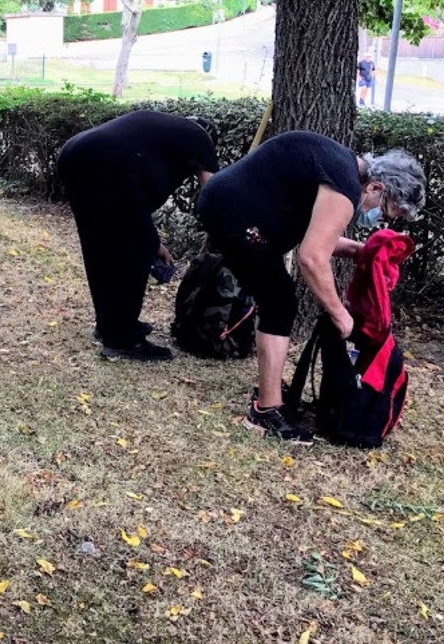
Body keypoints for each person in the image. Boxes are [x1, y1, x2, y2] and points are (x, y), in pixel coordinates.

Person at [196, 132, 425, 443]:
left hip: (226, 203)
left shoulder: (341, 166)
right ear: (375, 188)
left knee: (277, 299)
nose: (378, 220)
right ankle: (266, 411)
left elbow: (316, 234)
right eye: (384, 211)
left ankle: (269, 392)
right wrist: (339, 314)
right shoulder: (344, 185)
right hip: (231, 212)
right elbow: (312, 258)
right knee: (279, 302)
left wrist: (361, 251)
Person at [57, 111, 219, 361]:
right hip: (108, 163)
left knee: (101, 245)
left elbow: (134, 211)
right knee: (133, 251)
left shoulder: (163, 133)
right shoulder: (201, 138)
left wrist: (155, 243)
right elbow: (212, 194)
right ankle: (123, 340)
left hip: (75, 153)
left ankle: (109, 325)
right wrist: (220, 234)